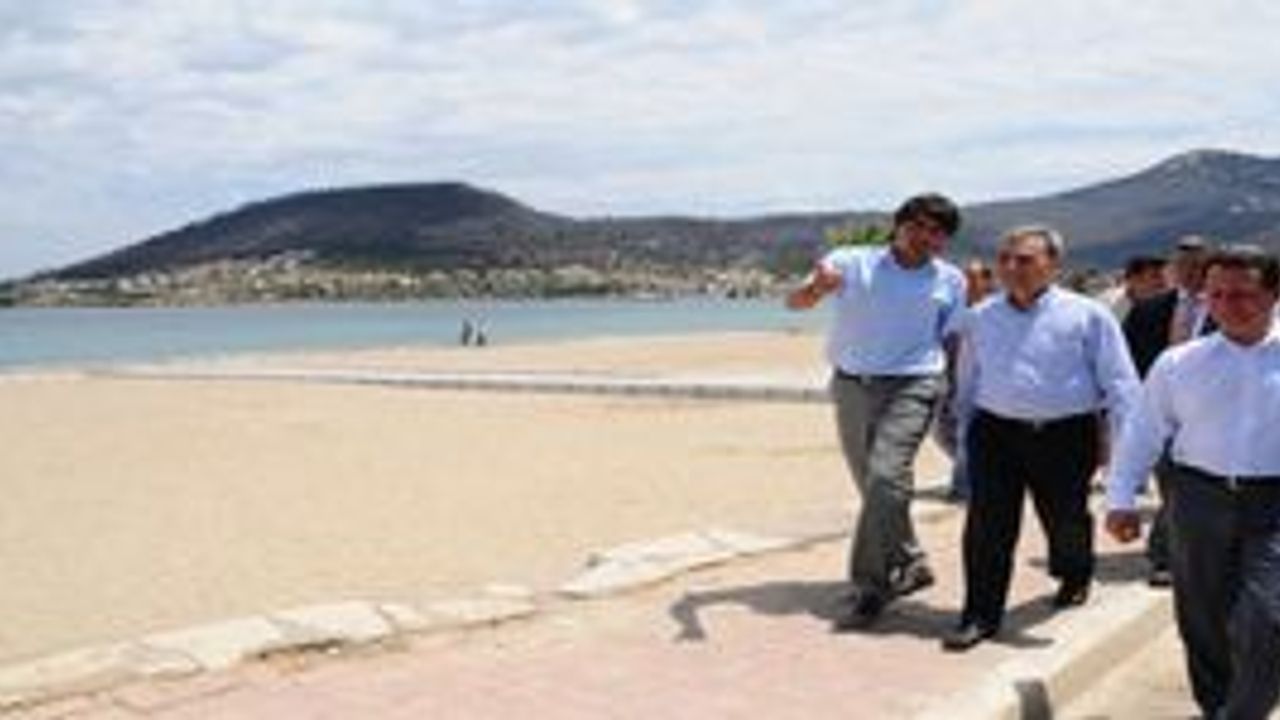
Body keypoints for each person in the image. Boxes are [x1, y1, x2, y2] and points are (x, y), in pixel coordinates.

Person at [941, 225, 1140, 652]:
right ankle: (979, 615)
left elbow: (1121, 384)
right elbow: (968, 379)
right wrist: (964, 436)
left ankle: (1074, 571)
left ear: (1053, 265)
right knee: (987, 525)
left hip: (1066, 434)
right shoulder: (980, 317)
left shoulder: (1088, 315)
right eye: (1005, 259)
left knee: (1065, 518)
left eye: (1025, 260)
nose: (1012, 268)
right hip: (995, 433)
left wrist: (1126, 454)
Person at [1105, 245, 1280, 720]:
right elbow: (1143, 431)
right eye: (1216, 295)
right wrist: (1120, 498)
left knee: (1267, 621)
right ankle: (1215, 706)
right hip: (1199, 499)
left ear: (1273, 295)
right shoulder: (1180, 363)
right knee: (1202, 617)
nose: (1227, 306)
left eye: (1242, 295)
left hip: (1273, 506)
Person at [786, 193, 966, 631]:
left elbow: (952, 337)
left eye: (936, 231)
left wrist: (960, 391)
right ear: (897, 225)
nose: (924, 237)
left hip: (914, 384)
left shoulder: (950, 279)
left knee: (886, 477)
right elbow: (796, 303)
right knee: (875, 489)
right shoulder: (850, 262)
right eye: (916, 226)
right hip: (852, 385)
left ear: (944, 240)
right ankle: (910, 561)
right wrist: (816, 289)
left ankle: (871, 587)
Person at [1120, 235, 1213, 587]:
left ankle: (1168, 553)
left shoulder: (1226, 307)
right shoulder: (1149, 309)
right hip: (1160, 411)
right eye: (1182, 265)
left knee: (1188, 484)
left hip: (1208, 411)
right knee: (1172, 483)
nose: (1189, 272)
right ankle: (1167, 555)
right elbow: (1125, 362)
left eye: (1197, 265)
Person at [1103, 254, 1170, 321]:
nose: (1161, 282)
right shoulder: (1112, 304)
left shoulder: (1164, 307)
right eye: (1154, 276)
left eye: (1163, 277)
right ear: (1134, 278)